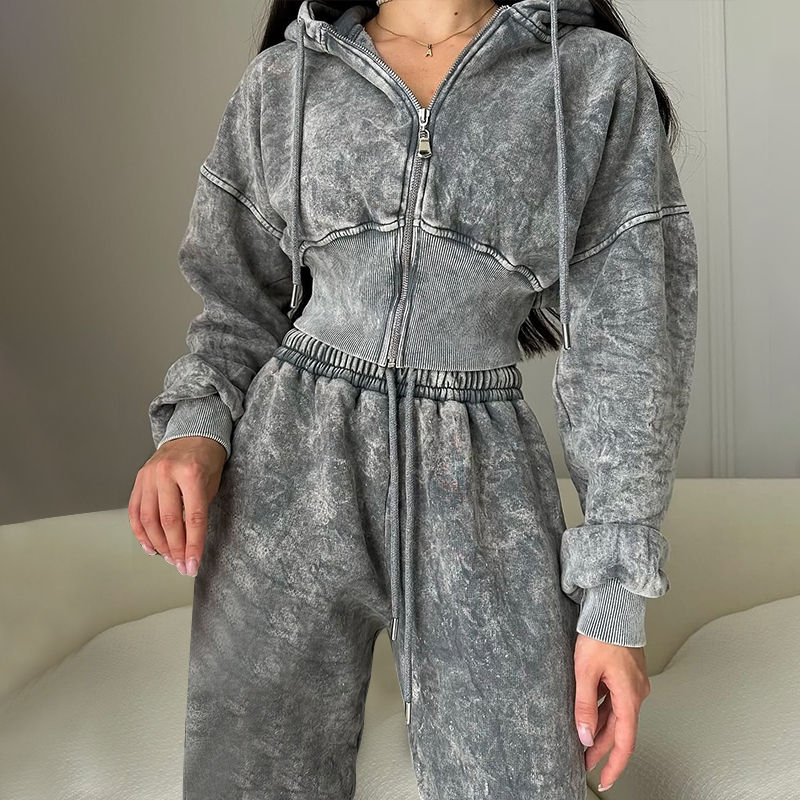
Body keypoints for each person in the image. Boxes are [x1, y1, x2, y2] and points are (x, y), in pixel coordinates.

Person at [128, 0, 699, 797]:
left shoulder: (590, 79)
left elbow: (629, 342)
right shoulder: (288, 78)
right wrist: (194, 430)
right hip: (285, 478)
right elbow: (237, 302)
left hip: (483, 483)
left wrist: (615, 603)